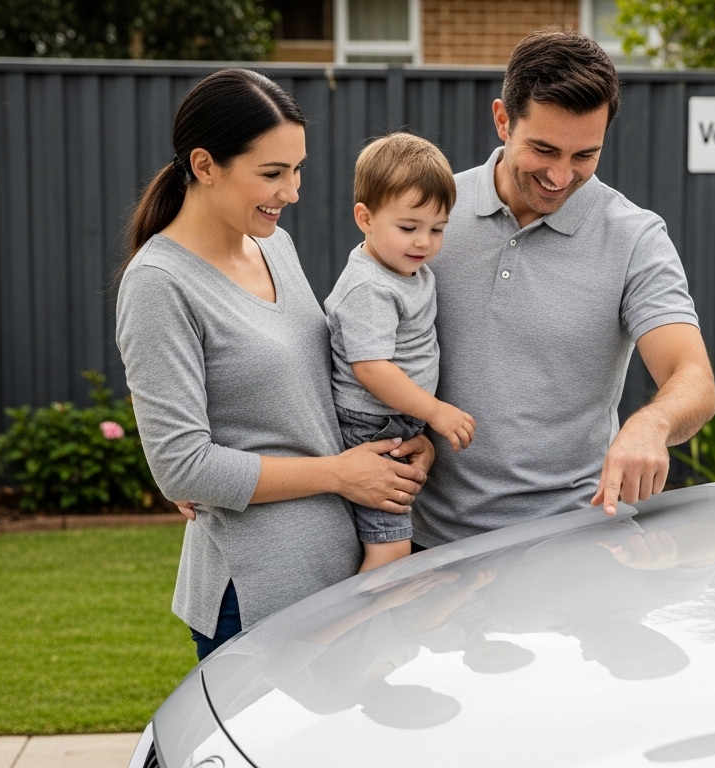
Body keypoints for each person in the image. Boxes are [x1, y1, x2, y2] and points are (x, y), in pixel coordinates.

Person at [114, 68, 434, 661]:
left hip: (338, 572)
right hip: (256, 592)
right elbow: (182, 467)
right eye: (272, 173)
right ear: (205, 165)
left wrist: (402, 444)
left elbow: (317, 396)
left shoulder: (273, 246)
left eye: (297, 169)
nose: (292, 191)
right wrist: (340, 474)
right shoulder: (159, 284)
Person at [412, 29, 715, 548]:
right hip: (429, 546)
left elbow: (693, 378)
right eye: (544, 149)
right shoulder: (430, 213)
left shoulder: (635, 238)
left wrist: (653, 424)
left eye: (584, 155)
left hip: (573, 544)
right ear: (503, 120)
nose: (560, 175)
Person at [324, 133, 475, 573]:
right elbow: (371, 368)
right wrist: (436, 411)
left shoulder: (410, 272)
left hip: (395, 421)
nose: (423, 242)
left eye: (437, 229)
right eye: (408, 228)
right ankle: (361, 617)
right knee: (389, 549)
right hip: (371, 425)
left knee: (392, 539)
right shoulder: (370, 287)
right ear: (365, 218)